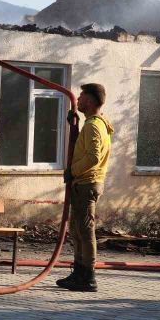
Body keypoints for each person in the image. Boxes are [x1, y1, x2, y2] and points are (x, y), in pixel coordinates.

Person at [56, 83, 114, 292]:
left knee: (85, 230)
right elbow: (87, 148)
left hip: (86, 183)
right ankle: (79, 273)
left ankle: (88, 276)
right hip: (84, 183)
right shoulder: (95, 124)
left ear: (89, 101)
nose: (77, 100)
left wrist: (73, 171)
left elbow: (93, 156)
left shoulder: (93, 126)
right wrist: (75, 125)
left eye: (80, 97)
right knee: (78, 230)